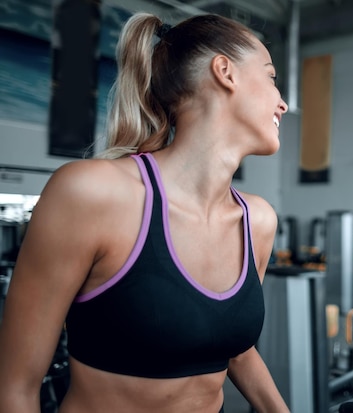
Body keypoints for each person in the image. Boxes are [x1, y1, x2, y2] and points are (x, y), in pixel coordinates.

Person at [0, 12, 290, 413]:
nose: (284, 102)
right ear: (225, 72)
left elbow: (236, 350)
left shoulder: (257, 220)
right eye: (271, 76)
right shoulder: (92, 194)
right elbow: (15, 387)